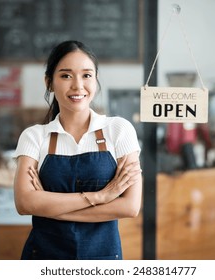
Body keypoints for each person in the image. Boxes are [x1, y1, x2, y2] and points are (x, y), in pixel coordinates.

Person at [13, 40, 142, 260]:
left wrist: (50, 207)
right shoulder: (34, 136)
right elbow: (25, 203)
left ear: (96, 80)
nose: (78, 86)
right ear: (49, 82)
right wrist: (101, 196)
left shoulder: (119, 130)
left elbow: (129, 207)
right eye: (65, 75)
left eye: (86, 75)